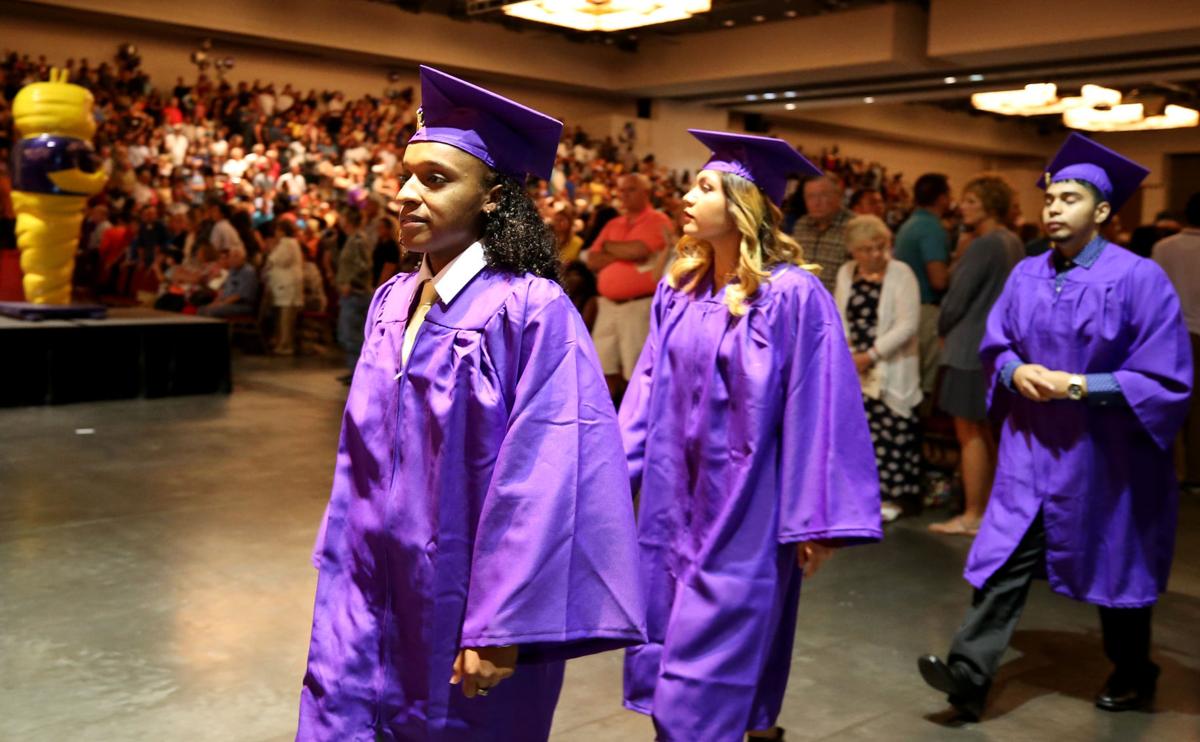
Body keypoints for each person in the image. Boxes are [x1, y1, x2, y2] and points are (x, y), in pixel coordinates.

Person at [298, 66, 644, 742]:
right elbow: (358, 463)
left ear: (493, 199)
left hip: (463, 603)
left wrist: (505, 623)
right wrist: (341, 564)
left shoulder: (529, 311)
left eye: (434, 179)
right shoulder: (392, 299)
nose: (403, 195)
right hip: (365, 590)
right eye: (405, 175)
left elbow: (549, 478)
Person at [918, 134, 1193, 720]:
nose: (1053, 208)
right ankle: (968, 675)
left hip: (1106, 454)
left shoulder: (1139, 279)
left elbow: (1165, 378)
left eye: (1069, 198)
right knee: (1006, 556)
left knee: (1116, 562)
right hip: (1033, 449)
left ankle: (1134, 671)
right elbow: (998, 344)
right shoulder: (1025, 274)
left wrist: (1078, 386)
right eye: (1049, 198)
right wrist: (1016, 373)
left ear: (1101, 213)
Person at [621, 129, 882, 742]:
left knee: (708, 684)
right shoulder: (677, 290)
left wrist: (816, 521)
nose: (688, 194)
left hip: (745, 515)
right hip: (667, 510)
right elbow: (643, 397)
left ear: (745, 205)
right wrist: (603, 479)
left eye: (706, 186)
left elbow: (820, 406)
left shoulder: (793, 295)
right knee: (666, 670)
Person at [929, 174, 1023, 536]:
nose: (961, 207)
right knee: (985, 432)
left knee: (969, 433)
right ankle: (989, 511)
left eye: (970, 201)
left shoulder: (985, 245)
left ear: (989, 205)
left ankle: (972, 514)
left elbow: (956, 298)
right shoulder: (1012, 241)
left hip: (968, 347)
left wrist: (940, 329)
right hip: (993, 346)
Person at [835, 215, 922, 522]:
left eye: (880, 247)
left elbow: (907, 325)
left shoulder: (901, 273)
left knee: (891, 433)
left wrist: (870, 355)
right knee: (860, 435)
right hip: (856, 366)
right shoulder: (847, 272)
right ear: (853, 251)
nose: (875, 255)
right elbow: (840, 313)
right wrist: (847, 351)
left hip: (889, 366)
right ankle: (861, 494)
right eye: (866, 249)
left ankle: (893, 497)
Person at [585, 173, 674, 401]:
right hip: (607, 306)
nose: (623, 195)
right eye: (621, 190)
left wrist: (608, 247)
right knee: (603, 367)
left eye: (631, 189)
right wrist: (622, 252)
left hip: (637, 307)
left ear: (646, 193)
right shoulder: (614, 223)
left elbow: (639, 251)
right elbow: (593, 260)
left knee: (634, 372)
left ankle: (630, 422)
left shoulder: (659, 220)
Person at [1152, 191, 1200, 486]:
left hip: (1170, 335)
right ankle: (1195, 475)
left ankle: (1169, 470)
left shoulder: (1163, 247)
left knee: (1169, 404)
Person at [893, 173, 951, 397]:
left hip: (906, 308)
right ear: (942, 198)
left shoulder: (911, 223)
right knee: (924, 383)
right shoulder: (931, 228)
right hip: (924, 310)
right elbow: (938, 280)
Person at [791, 173, 853, 294]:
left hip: (835, 307)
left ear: (838, 195)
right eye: (810, 196)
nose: (816, 202)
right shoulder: (801, 225)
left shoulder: (853, 226)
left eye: (823, 195)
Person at [265, 219, 304, 354]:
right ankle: (281, 342)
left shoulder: (287, 243)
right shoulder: (290, 243)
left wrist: (271, 252)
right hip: (284, 286)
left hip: (287, 286)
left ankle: (285, 345)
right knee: (283, 317)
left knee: (286, 319)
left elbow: (280, 260)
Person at [199, 246, 258, 317]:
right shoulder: (232, 270)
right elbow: (224, 291)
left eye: (236, 256)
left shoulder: (248, 272)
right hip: (227, 303)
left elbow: (238, 296)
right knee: (201, 309)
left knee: (212, 311)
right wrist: (215, 302)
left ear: (243, 258)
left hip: (241, 305)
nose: (232, 259)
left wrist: (221, 304)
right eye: (231, 256)